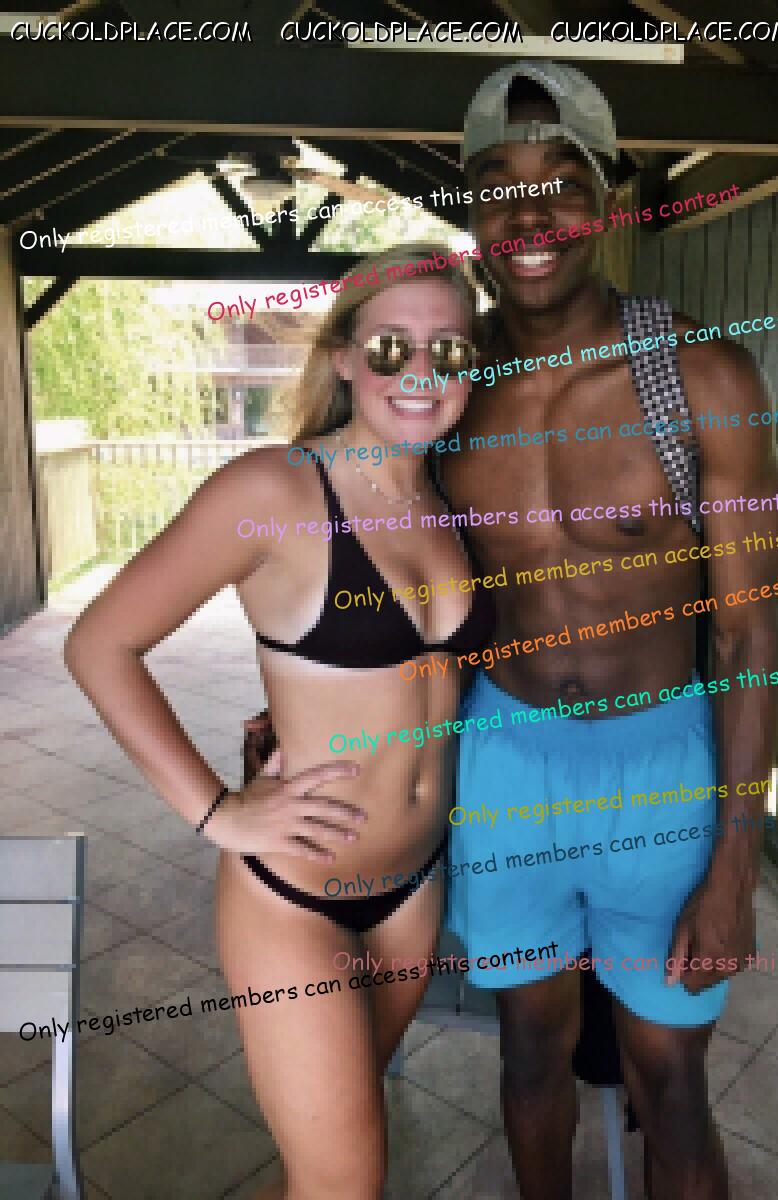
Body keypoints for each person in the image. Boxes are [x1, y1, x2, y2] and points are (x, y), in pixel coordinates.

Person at [63, 245, 492, 1200]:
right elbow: (100, 644)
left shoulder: (442, 495)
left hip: (414, 887)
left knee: (328, 1168)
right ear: (343, 357)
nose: (421, 372)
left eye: (451, 350)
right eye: (391, 346)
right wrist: (216, 811)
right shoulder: (274, 491)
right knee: (345, 1183)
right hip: (296, 895)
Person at [438, 63, 778, 1199]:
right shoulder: (447, 382)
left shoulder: (701, 376)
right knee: (527, 1053)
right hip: (506, 756)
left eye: (561, 181)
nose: (529, 214)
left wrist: (736, 862)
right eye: (498, 185)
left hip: (659, 763)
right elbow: (377, 552)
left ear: (609, 201)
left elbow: (748, 637)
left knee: (670, 1081)